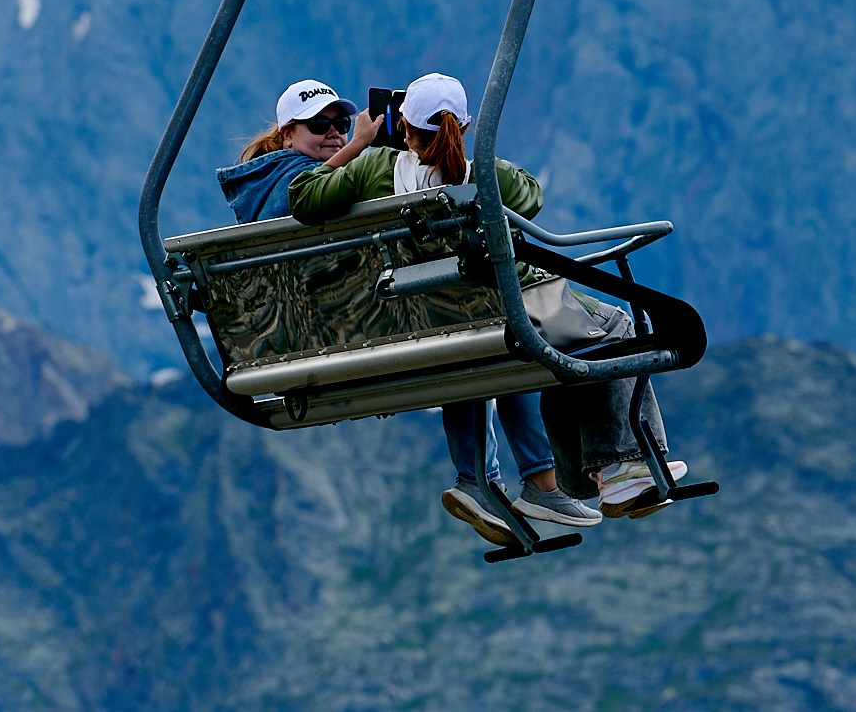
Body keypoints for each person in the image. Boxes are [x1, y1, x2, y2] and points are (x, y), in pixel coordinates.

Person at [287, 73, 684, 535]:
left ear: (404, 128)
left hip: (427, 324)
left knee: (577, 340)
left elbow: (304, 197)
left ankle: (584, 476)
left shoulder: (373, 170)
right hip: (510, 317)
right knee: (615, 327)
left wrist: (359, 144)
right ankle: (617, 468)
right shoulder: (485, 174)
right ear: (466, 125)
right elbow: (531, 196)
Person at [215, 79, 361, 224]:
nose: (334, 132)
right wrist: (358, 144)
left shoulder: (270, 177)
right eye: (319, 124)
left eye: (341, 123)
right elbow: (313, 185)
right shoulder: (294, 177)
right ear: (288, 135)